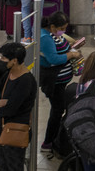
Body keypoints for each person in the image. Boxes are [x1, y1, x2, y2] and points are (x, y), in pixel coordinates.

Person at [0, 43, 37, 171]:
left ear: (14, 61)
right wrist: (1, 102)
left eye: (3, 58)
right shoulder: (7, 75)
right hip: (3, 129)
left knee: (13, 166)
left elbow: (11, 109)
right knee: (2, 166)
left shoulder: (26, 80)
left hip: (15, 132)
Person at [38, 13, 80, 150]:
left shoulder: (55, 34)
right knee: (57, 110)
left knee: (60, 108)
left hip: (62, 80)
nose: (64, 31)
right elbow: (53, 59)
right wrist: (71, 55)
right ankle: (48, 141)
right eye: (62, 28)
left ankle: (55, 137)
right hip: (53, 82)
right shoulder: (45, 38)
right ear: (52, 27)